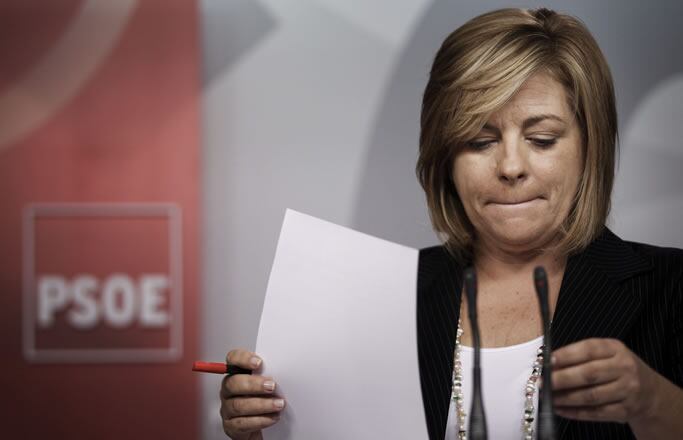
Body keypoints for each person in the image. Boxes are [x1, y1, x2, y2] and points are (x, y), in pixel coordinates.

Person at [219, 8, 683, 440]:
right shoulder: (380, 297)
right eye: (480, 142)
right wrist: (265, 429)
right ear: (444, 159)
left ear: (590, 147)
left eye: (542, 140)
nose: (510, 166)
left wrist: (652, 401)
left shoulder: (671, 287)